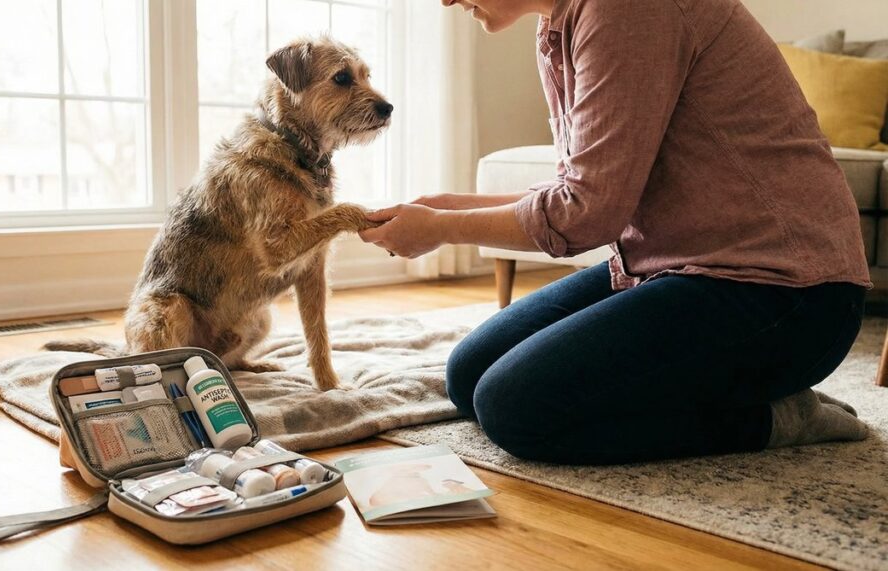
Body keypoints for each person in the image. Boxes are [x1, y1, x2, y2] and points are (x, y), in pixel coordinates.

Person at [359, 0, 871, 465]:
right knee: (469, 374)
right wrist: (447, 208)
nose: (445, 0)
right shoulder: (560, 25)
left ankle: (771, 418)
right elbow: (581, 182)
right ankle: (720, 387)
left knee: (515, 407)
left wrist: (444, 229)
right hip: (672, 268)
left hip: (789, 294)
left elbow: (585, 214)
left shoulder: (629, 9)